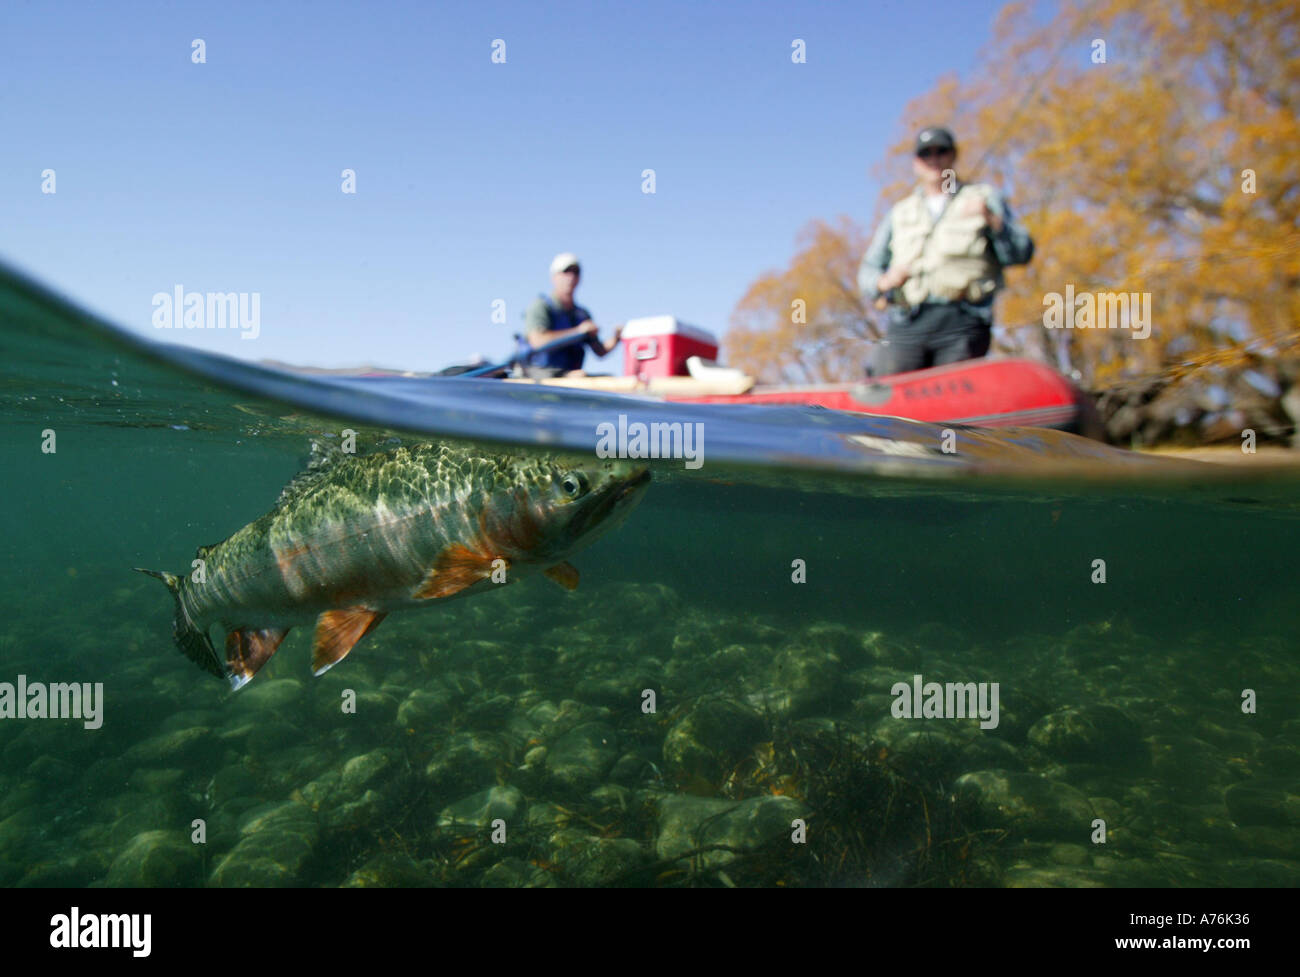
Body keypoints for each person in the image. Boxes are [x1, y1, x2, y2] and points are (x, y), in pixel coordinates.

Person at [858, 126, 1034, 376]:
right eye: (925, 154)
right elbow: (868, 268)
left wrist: (993, 221)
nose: (934, 159)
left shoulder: (983, 197)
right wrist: (883, 281)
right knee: (882, 383)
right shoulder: (900, 212)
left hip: (963, 320)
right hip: (908, 320)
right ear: (916, 163)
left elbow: (1021, 253)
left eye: (941, 151)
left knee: (953, 396)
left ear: (953, 156)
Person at [521, 253, 622, 378]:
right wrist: (577, 331)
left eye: (575, 272)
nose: (571, 277)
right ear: (554, 277)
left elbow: (600, 351)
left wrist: (616, 338)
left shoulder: (582, 314)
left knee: (609, 380)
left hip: (573, 374)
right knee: (580, 377)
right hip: (541, 374)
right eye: (566, 272)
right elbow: (537, 341)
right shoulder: (541, 306)